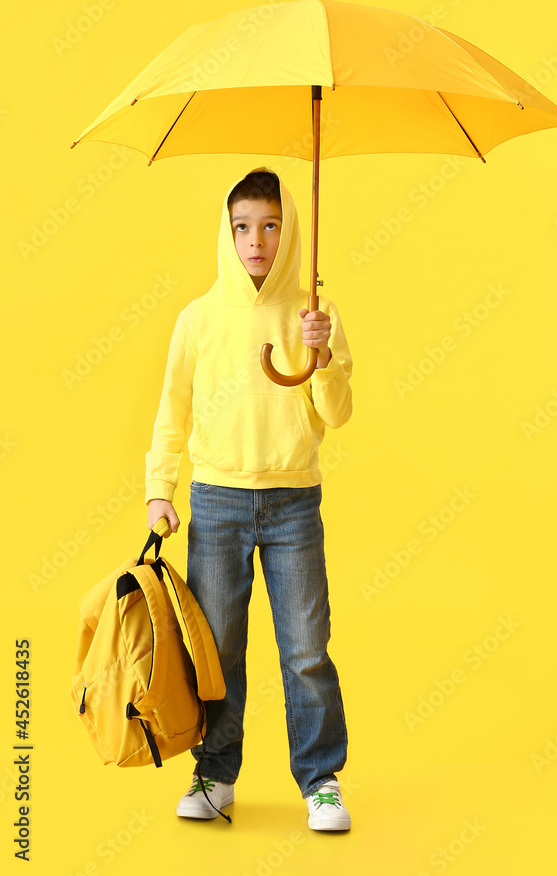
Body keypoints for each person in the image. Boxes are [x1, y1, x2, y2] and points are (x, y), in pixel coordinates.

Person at [145, 166, 353, 832]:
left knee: (306, 650)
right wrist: (159, 491)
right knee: (219, 648)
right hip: (217, 503)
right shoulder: (199, 318)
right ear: (227, 233)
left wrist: (323, 359)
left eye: (269, 226)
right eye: (242, 227)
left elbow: (337, 415)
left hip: (293, 503)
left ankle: (320, 780)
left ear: (287, 229)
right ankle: (215, 772)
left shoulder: (313, 315)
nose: (255, 241)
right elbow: (171, 410)